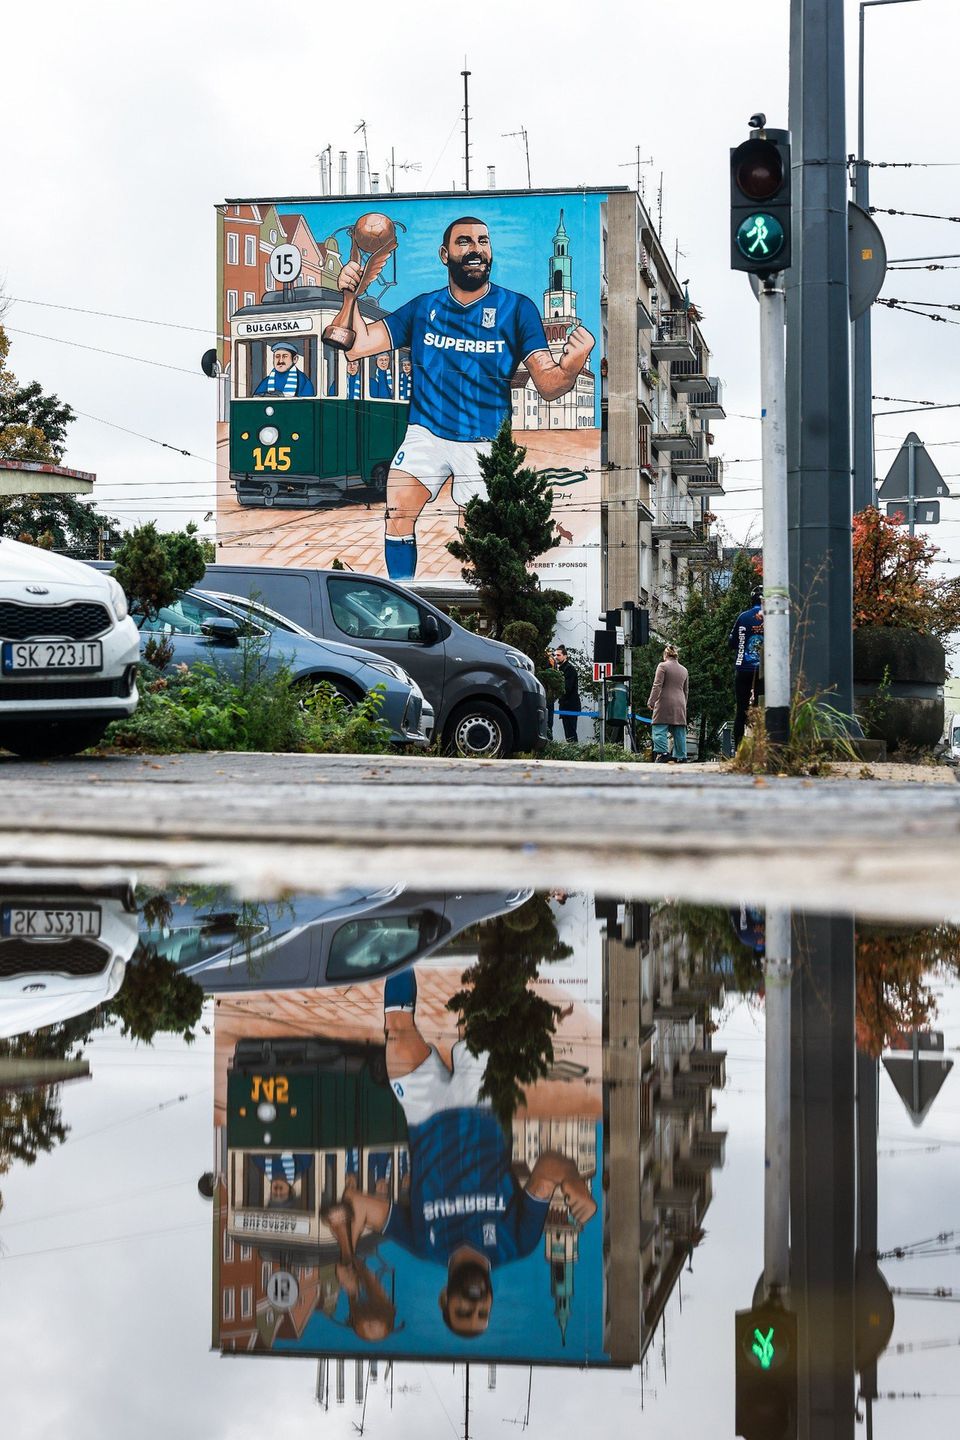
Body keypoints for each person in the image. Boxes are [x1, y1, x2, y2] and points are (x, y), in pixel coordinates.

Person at [322, 969, 597, 1339]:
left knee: (398, 1028)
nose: (475, 1303)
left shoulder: (423, 1244)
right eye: (482, 1311)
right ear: (492, 1300)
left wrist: (348, 1255)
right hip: (479, 1101)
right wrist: (575, 1181)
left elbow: (360, 1205)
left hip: (423, 1112)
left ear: (443, 1299)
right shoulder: (518, 1243)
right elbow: (548, 1165)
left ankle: (403, 935)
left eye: (464, 1310)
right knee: (482, 1005)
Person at [335, 215, 595, 580]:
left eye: (483, 242)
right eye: (465, 242)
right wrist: (352, 296)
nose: (476, 250)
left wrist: (570, 366)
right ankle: (404, 597)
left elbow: (549, 385)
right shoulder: (423, 308)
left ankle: (481, 605)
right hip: (427, 432)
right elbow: (357, 346)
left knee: (480, 535)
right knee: (398, 511)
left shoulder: (517, 309)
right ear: (445, 254)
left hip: (485, 441)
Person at [728, 589, 764, 749]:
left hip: (743, 668)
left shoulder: (743, 617)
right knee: (762, 708)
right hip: (764, 671)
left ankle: (739, 748)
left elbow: (732, 642)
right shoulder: (771, 617)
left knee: (741, 710)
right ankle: (760, 746)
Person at [647, 644, 689, 763]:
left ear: (665, 655)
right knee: (679, 730)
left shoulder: (663, 666)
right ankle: (681, 756)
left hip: (664, 701)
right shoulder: (684, 670)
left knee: (659, 727)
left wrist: (651, 701)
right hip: (680, 702)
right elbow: (686, 690)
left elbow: (657, 685)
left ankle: (663, 753)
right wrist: (684, 705)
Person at [554, 644, 580, 743]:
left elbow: (567, 688)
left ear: (565, 656)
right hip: (565, 705)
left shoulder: (569, 669)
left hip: (570, 705)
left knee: (571, 731)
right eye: (555, 655)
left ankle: (574, 752)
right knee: (568, 731)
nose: (556, 657)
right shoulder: (561, 669)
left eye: (559, 655)